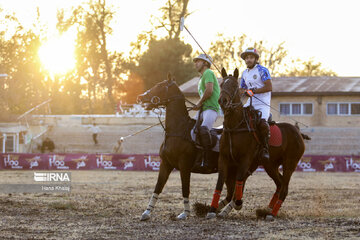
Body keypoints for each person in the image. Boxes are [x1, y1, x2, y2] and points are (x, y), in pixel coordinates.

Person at [239, 47, 272, 160]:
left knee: (262, 124)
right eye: (247, 58)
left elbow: (269, 87)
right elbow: (241, 89)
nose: (248, 60)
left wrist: (253, 91)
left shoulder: (262, 70)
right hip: (249, 103)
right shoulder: (244, 73)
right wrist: (243, 92)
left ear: (255, 59)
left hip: (263, 104)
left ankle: (264, 148)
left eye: (251, 57)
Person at [192, 54, 220, 169]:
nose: (196, 64)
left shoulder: (208, 72)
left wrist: (198, 103)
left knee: (203, 130)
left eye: (198, 61)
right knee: (191, 128)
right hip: (203, 109)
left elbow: (209, 91)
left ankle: (207, 159)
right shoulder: (201, 77)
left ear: (205, 63)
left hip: (211, 109)